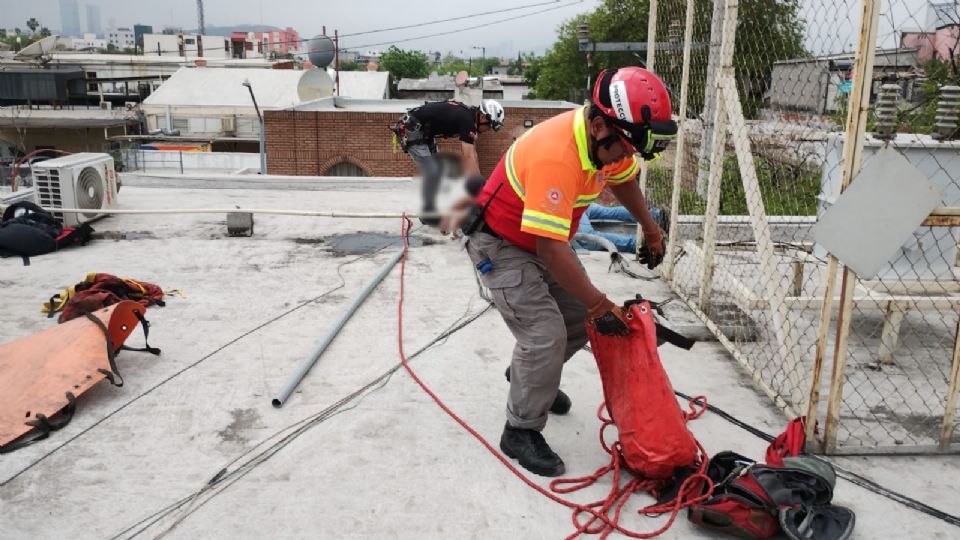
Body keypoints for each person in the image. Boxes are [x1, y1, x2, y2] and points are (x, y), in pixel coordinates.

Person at [456, 67, 676, 477]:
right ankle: (519, 431)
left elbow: (624, 179)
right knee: (545, 333)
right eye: (625, 148)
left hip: (537, 242)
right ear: (598, 126)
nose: (627, 157)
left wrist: (651, 229)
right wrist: (600, 303)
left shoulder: (608, 141)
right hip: (500, 245)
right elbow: (551, 249)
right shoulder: (558, 154)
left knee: (578, 322)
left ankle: (528, 377)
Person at [398, 99, 505, 223]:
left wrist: (480, 183)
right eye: (489, 125)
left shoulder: (469, 116)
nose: (488, 129)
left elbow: (473, 153)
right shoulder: (467, 121)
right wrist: (479, 190)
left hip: (424, 132)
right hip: (412, 131)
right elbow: (468, 156)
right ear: (482, 117)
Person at [574, 203, 666, 254]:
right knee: (608, 212)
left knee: (588, 240)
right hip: (579, 201)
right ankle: (654, 216)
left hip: (572, 207)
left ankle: (637, 244)